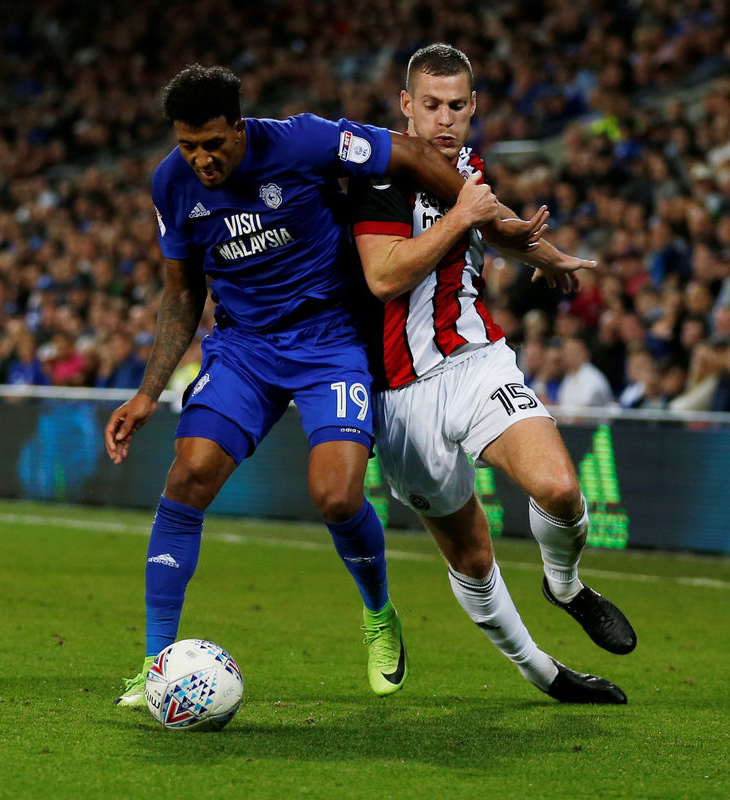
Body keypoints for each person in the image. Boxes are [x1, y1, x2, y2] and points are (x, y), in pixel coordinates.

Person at [104, 63, 543, 706]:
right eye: (186, 145)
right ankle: (153, 666)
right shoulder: (170, 183)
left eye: (212, 144)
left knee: (336, 496)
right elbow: (181, 291)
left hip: (330, 340)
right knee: (189, 472)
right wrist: (148, 391)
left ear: (238, 125)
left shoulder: (305, 141)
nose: (200, 159)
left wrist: (488, 219)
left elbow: (413, 155)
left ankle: (378, 614)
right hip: (244, 348)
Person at [348, 44, 636, 704]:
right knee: (472, 556)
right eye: (430, 106)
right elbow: (383, 276)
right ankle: (543, 672)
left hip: (476, 361)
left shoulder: (470, 171)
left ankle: (562, 584)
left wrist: (541, 251)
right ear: (405, 106)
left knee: (560, 488)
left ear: (473, 107)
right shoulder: (379, 173)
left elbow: (489, 225)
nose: (443, 119)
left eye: (456, 106)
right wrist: (470, 217)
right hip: (399, 397)